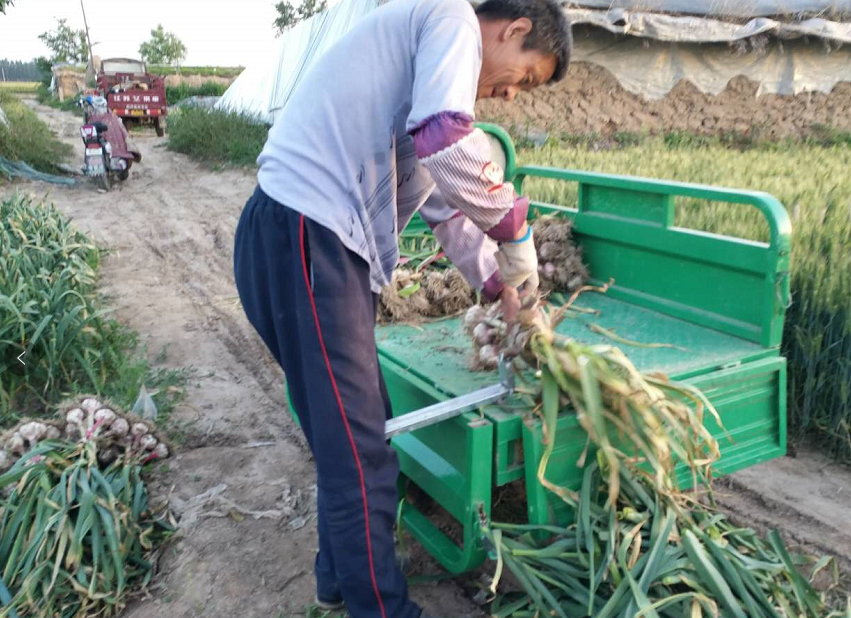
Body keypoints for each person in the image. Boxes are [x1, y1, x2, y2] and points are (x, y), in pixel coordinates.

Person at [233, 0, 572, 615]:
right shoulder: (452, 20)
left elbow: (447, 203)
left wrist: (501, 286)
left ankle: (338, 580)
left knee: (359, 434)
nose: (513, 96)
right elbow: (447, 143)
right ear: (515, 29)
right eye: (524, 77)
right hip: (309, 238)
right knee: (361, 451)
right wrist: (515, 226)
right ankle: (382, 608)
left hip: (300, 239)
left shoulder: (428, 76)